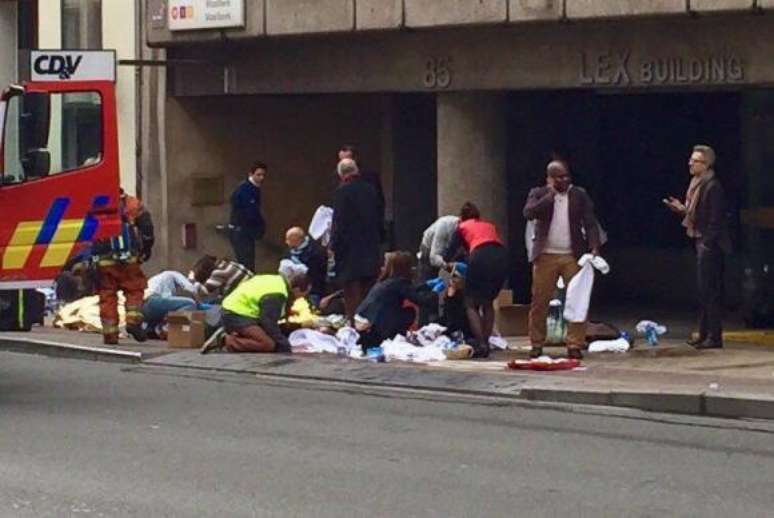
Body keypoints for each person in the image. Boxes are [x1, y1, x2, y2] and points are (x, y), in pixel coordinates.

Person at [523, 160, 601, 360]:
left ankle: (575, 343)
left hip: (572, 254)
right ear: (549, 178)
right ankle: (537, 343)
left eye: (566, 176)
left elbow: (590, 222)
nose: (564, 180)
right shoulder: (539, 193)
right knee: (540, 301)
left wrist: (594, 247)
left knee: (578, 300)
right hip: (545, 255)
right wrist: (550, 196)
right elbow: (529, 212)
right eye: (559, 177)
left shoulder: (579, 195)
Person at [664, 145, 731, 349]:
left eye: (696, 161)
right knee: (702, 291)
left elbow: (715, 220)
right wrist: (682, 210)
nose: (691, 163)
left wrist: (708, 243)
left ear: (707, 164)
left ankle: (714, 336)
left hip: (710, 244)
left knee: (710, 291)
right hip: (700, 239)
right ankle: (703, 333)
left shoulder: (712, 186)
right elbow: (696, 214)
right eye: (691, 160)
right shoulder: (696, 184)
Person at [444, 202, 509, 358]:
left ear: (462, 217)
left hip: (480, 256)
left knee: (470, 302)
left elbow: (450, 252)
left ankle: (481, 343)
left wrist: (449, 263)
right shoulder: (488, 225)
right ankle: (486, 341)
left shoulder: (461, 227)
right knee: (487, 302)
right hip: (501, 256)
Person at [92, 189, 154, 345]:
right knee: (134, 289)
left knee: (107, 295)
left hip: (103, 259)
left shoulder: (93, 204)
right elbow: (146, 227)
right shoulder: (131, 204)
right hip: (128, 259)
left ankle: (110, 334)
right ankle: (133, 321)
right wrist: (146, 248)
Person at [201, 273, 311, 354]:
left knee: (269, 338)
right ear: (296, 289)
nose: (302, 298)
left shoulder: (277, 280)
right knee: (268, 344)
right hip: (237, 314)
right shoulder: (277, 293)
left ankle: (236, 337)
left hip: (236, 309)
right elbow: (268, 322)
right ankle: (226, 340)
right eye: (304, 294)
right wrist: (285, 346)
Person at [331, 158, 383, 321]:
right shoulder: (371, 190)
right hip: (370, 248)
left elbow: (339, 222)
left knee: (352, 292)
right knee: (369, 290)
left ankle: (354, 325)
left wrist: (334, 245)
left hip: (349, 251)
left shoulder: (342, 192)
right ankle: (369, 324)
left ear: (342, 175)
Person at [355, 252, 422, 351]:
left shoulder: (385, 282)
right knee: (409, 312)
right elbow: (418, 299)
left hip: (362, 319)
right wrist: (435, 293)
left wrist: (427, 286)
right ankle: (389, 337)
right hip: (375, 324)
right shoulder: (399, 283)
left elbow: (412, 290)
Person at [229, 161, 267, 272]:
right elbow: (250, 212)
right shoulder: (245, 190)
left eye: (263, 175)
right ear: (251, 174)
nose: (261, 178)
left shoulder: (252, 189)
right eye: (258, 175)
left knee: (248, 262)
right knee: (246, 263)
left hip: (244, 232)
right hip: (241, 232)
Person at [143, 270, 199, 335]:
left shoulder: (154, 279)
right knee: (190, 303)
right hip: (153, 301)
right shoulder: (172, 273)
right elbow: (191, 288)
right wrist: (198, 303)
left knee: (165, 310)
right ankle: (166, 328)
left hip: (143, 308)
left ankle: (150, 329)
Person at [284, 227, 328, 306]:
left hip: (312, 290)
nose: (287, 242)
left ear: (298, 240)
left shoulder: (316, 252)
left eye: (290, 240)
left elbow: (318, 274)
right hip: (292, 288)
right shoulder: (289, 251)